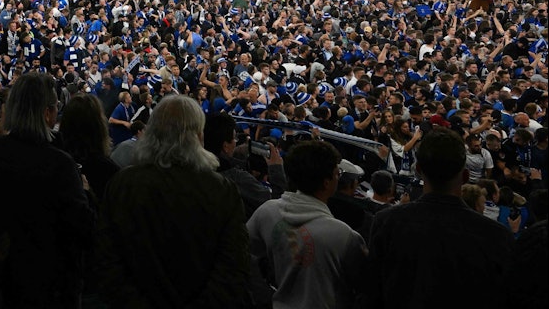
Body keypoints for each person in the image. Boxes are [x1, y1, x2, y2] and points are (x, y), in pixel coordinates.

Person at [96, 95, 250, 308]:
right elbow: (233, 268)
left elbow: (107, 262)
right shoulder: (221, 190)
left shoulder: (123, 185)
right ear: (198, 137)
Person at [0, 70, 94, 309]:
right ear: (48, 113)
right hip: (52, 284)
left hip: (4, 280)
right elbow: (85, 229)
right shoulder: (60, 165)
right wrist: (87, 191)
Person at [360, 128, 514, 307]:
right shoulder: (496, 235)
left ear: (418, 170)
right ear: (465, 176)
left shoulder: (386, 222)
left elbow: (371, 292)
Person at [247, 140, 366, 309]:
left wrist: (263, 296)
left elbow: (241, 254)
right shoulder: (344, 235)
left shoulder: (267, 212)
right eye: (337, 172)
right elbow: (365, 287)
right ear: (327, 182)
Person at [203, 112, 286, 218]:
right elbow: (277, 205)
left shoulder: (193, 169)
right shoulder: (238, 179)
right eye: (234, 138)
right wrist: (276, 168)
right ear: (225, 146)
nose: (235, 142)